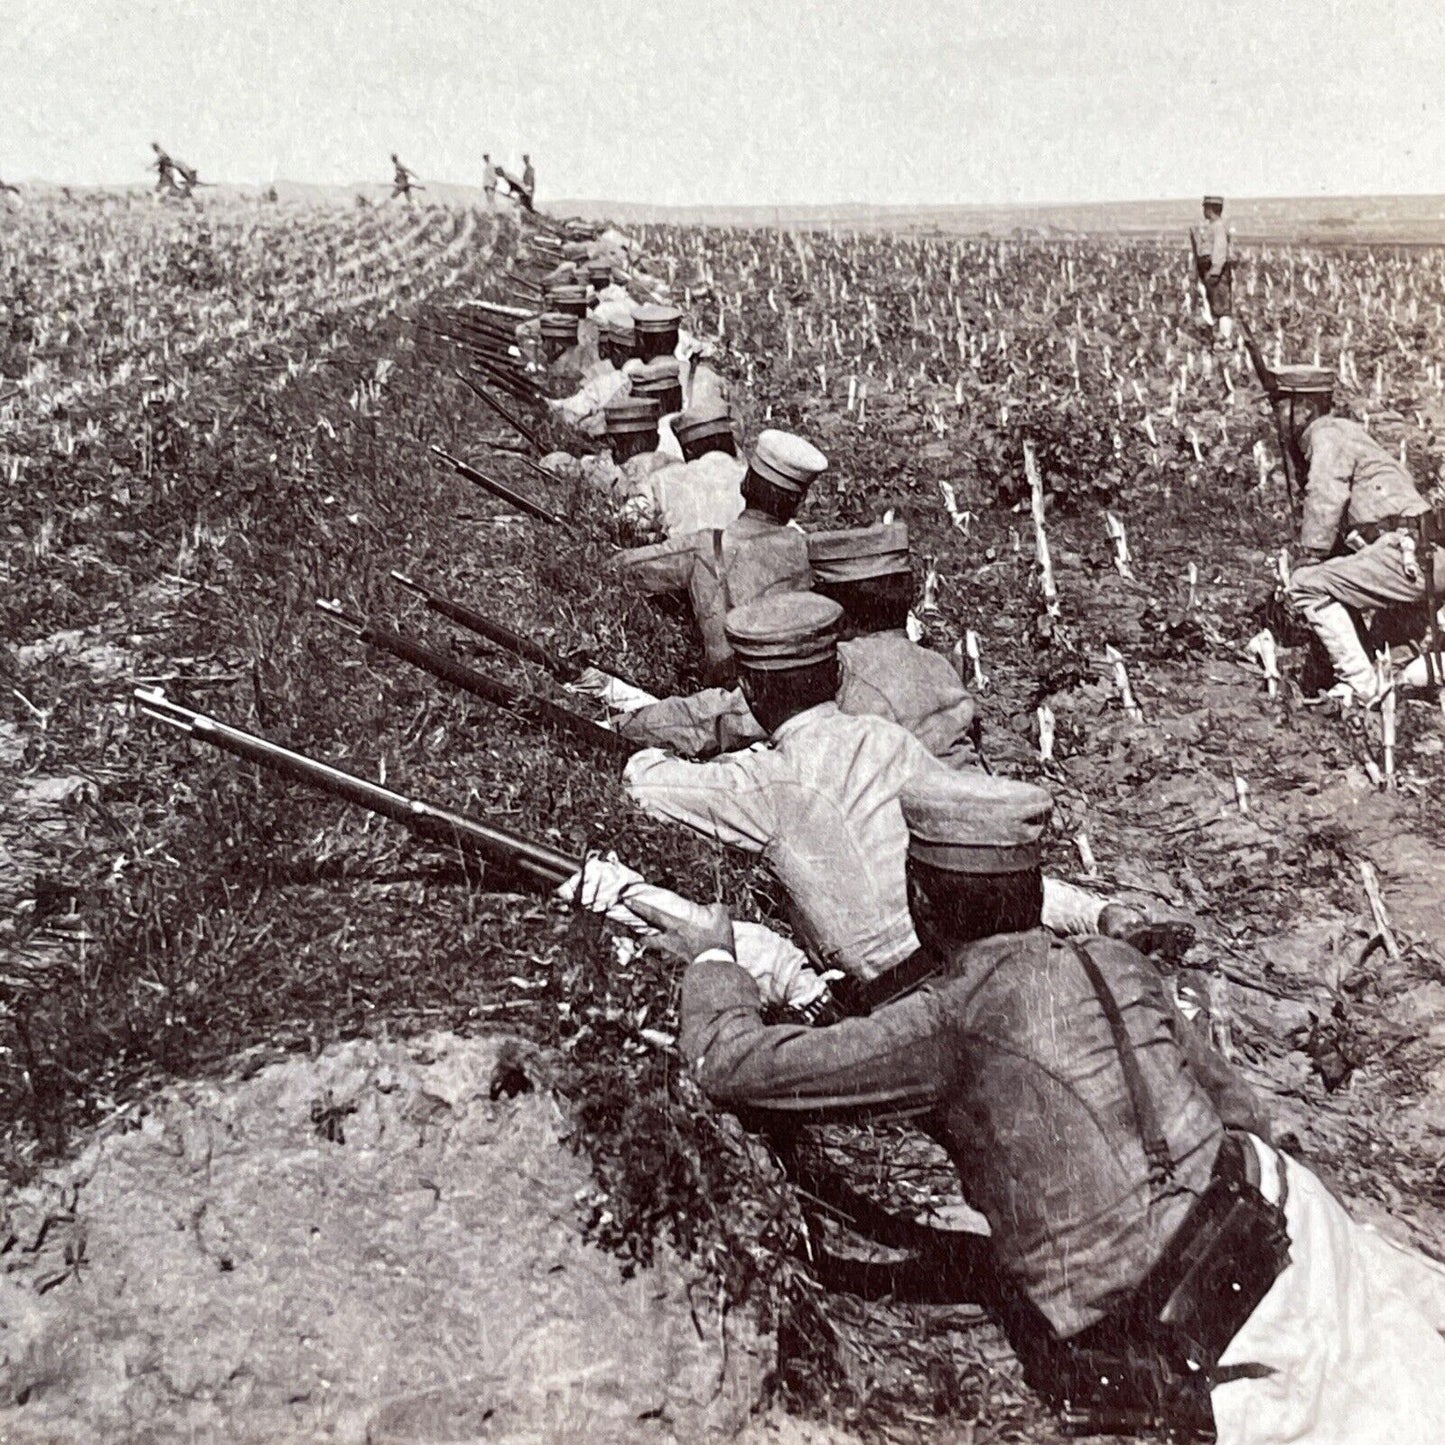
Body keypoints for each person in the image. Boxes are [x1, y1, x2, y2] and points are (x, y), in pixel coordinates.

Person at [662, 770, 1445, 1444]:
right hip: (1276, 1215)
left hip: (1175, 1318)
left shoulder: (948, 1016)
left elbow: (731, 1066)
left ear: (921, 902)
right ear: (1034, 892)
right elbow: (1236, 1105)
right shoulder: (1114, 958)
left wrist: (713, 959)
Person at [624, 593, 1160, 988]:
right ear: (835, 675)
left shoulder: (767, 780)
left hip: (899, 990)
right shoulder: (885, 737)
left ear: (752, 689)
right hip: (979, 944)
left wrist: (681, 755)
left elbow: (645, 783)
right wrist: (1085, 911)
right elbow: (980, 841)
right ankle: (1100, 918)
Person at [616, 522, 979, 767]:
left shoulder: (841, 668)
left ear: (830, 607)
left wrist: (621, 725)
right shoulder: (939, 664)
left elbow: (721, 719)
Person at [1277, 371, 1445, 704]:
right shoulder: (1353, 436)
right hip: (1423, 557)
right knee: (1389, 654)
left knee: (1306, 584)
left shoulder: (1325, 434)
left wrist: (1310, 554)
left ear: (1306, 407)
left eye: (1283, 405)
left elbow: (1326, 493)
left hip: (1405, 555)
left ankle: (1362, 688)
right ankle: (1399, 685)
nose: (1278, 416)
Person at [612, 429, 825, 684]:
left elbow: (619, 569)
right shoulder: (809, 550)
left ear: (745, 484)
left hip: (734, 697)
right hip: (801, 690)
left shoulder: (703, 546)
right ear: (798, 503)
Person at [1190, 195, 1233, 346]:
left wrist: (1215, 271)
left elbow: (1219, 251)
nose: (1203, 210)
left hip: (1216, 272)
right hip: (1208, 269)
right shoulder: (1213, 226)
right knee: (1213, 305)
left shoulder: (1218, 227)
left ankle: (1225, 339)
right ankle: (1218, 338)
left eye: (1205, 208)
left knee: (1221, 306)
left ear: (1211, 209)